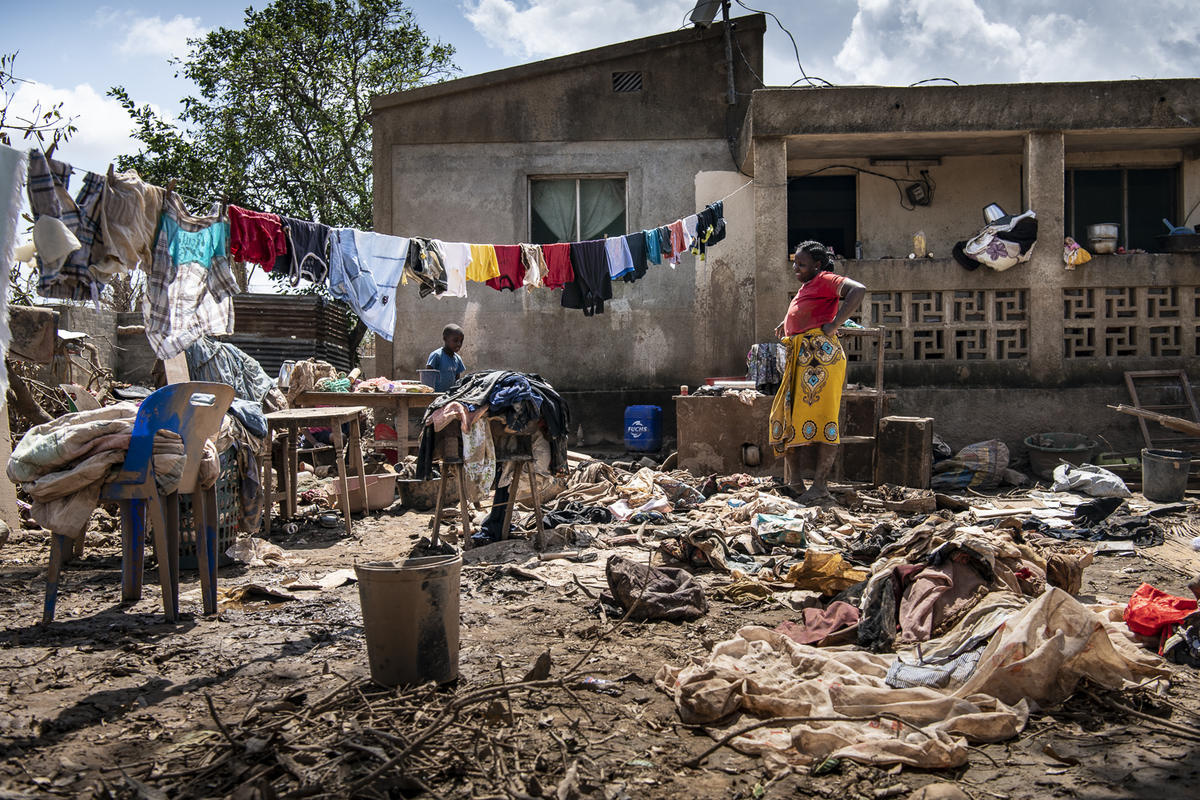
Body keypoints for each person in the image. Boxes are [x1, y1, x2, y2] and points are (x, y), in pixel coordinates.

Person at [769, 241, 866, 504]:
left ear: (817, 265)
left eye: (801, 264)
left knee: (823, 420)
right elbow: (808, 310)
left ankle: (820, 486)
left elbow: (858, 290)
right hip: (801, 356)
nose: (795, 268)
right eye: (795, 263)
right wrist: (787, 321)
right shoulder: (809, 285)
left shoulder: (825, 278)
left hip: (820, 359)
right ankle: (796, 482)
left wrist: (835, 324)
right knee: (790, 415)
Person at [426, 324, 466, 392]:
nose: (459, 344)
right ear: (445, 339)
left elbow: (457, 380)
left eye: (461, 341)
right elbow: (428, 376)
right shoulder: (437, 355)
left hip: (449, 396)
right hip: (435, 395)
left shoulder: (458, 359)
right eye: (455, 340)